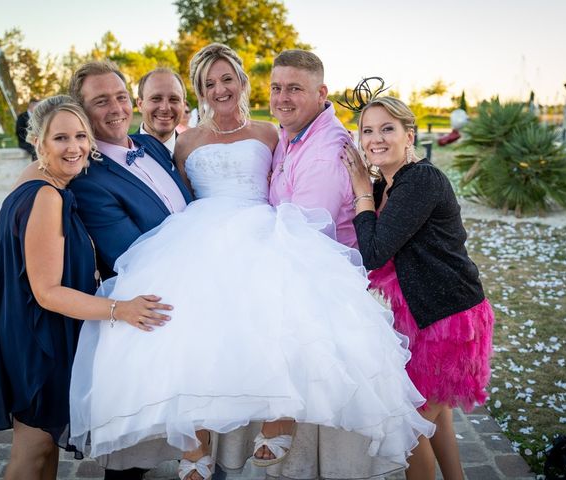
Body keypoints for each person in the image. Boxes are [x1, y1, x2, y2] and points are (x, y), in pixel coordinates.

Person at [69, 44, 434, 480]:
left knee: (274, 316)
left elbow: (283, 181)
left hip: (261, 229)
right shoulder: (185, 141)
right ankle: (194, 439)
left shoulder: (269, 133)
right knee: (189, 327)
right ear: (200, 93)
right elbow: (182, 194)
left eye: (227, 79)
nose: (219, 88)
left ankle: (278, 414)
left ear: (242, 83)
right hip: (198, 235)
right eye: (208, 83)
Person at [216, 49, 402, 480]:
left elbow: (303, 236)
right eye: (276, 88)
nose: (282, 98)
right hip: (297, 275)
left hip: (317, 290)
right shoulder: (292, 134)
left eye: (294, 89)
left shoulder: (326, 151)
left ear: (321, 93)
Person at [0, 95, 172, 480]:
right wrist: (122, 309)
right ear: (39, 142)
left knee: (44, 450)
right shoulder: (46, 197)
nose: (75, 148)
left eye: (82, 137)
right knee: (31, 454)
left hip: (32, 329)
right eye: (61, 139)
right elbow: (47, 291)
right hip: (41, 339)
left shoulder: (37, 179)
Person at [340, 78, 494, 480]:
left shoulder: (419, 181)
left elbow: (374, 251)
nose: (376, 139)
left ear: (409, 135)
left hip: (448, 318)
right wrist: (367, 191)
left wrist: (361, 192)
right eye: (368, 130)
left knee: (407, 424)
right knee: (432, 414)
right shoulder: (386, 183)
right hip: (422, 315)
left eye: (387, 129)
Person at [68, 60, 193, 479]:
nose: (117, 108)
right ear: (81, 111)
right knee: (134, 446)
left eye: (120, 96)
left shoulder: (153, 146)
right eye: (101, 101)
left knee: (206, 423)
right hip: (150, 310)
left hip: (195, 296)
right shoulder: (87, 178)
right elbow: (132, 253)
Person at [135, 67, 188, 154]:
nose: (165, 108)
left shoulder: (194, 155)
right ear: (140, 104)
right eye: (156, 98)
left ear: (183, 106)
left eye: (174, 99)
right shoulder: (121, 153)